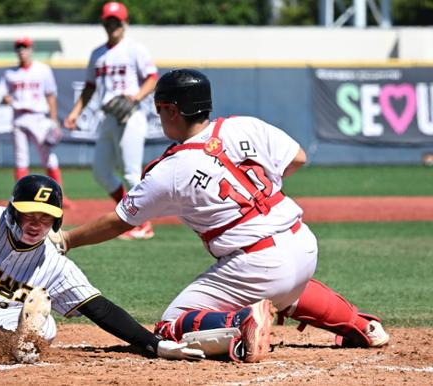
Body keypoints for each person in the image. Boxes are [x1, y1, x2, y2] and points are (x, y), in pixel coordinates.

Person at [54, 69, 390, 362]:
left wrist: (67, 238)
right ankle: (364, 326)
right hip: (303, 243)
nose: (159, 116)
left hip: (256, 262)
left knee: (170, 326)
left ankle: (243, 322)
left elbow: (120, 221)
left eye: (160, 110)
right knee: (285, 290)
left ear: (172, 110)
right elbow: (298, 158)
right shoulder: (244, 125)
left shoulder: (169, 170)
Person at [0, 174, 208, 362]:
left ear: (56, 220)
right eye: (29, 214)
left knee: (47, 328)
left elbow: (100, 308)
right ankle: (0, 342)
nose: (36, 224)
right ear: (13, 211)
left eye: (45, 217)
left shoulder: (52, 263)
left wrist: (154, 344)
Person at [64, 1, 157, 239]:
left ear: (125, 23)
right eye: (108, 21)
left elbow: (152, 78)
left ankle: (143, 224)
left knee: (131, 173)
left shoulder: (135, 49)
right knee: (101, 171)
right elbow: (89, 86)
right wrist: (75, 112)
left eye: (116, 21)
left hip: (130, 115)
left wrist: (136, 97)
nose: (112, 25)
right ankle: (129, 214)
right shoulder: (98, 54)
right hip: (108, 116)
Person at [1, 36, 73, 208]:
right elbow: (4, 95)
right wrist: (7, 99)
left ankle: (60, 195)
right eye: (18, 47)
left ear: (31, 49)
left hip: (38, 117)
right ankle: (19, 197)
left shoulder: (42, 70)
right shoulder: (10, 74)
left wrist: (54, 120)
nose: (21, 51)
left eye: (24, 47)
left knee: (47, 158)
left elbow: (50, 95)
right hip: (19, 118)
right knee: (20, 159)